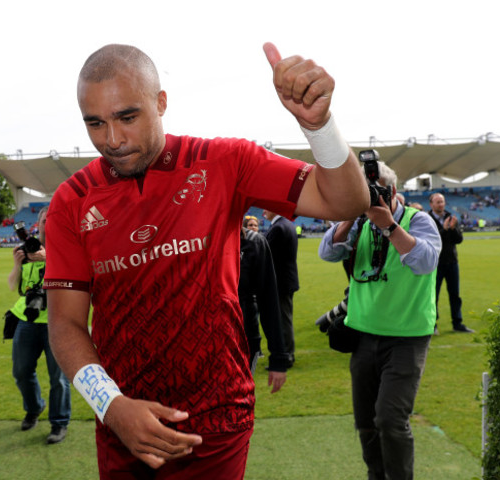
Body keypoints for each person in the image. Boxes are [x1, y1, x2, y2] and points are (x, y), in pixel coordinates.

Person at [43, 42, 369, 479]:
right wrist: (112, 406)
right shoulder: (73, 200)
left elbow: (346, 201)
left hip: (217, 419)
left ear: (161, 102)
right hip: (124, 423)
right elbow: (64, 324)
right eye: (95, 124)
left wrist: (320, 127)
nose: (113, 140)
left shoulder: (222, 162)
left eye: (127, 117)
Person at [319, 161, 441, 480]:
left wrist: (389, 226)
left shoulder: (419, 220)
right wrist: (350, 214)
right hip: (363, 334)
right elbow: (327, 252)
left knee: (389, 417)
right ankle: (376, 475)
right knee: (365, 421)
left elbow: (426, 261)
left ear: (393, 192)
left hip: (407, 336)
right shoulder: (358, 224)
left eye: (373, 193)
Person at [7, 207, 71, 444]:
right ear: (39, 223)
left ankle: (59, 422)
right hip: (27, 319)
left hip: (58, 319)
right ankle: (34, 407)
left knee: (59, 378)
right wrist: (16, 265)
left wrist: (49, 259)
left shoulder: (68, 245)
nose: (47, 224)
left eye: (52, 219)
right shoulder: (28, 249)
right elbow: (13, 286)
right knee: (21, 371)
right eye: (44, 220)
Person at [239, 223, 289, 391]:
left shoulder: (254, 243)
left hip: (243, 343)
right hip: (199, 343)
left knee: (238, 405)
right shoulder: (194, 242)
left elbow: (268, 302)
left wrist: (278, 358)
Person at [428, 192, 474, 333]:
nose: (441, 204)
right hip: (435, 264)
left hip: (452, 262)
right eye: (438, 202)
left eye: (442, 201)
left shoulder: (451, 217)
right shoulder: (427, 219)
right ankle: (432, 325)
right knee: (433, 295)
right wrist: (445, 229)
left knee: (455, 295)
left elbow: (458, 240)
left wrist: (453, 229)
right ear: (431, 204)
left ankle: (457, 323)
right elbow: (430, 240)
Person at [263, 209, 299, 368]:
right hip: (286, 280)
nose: (263, 211)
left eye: (266, 207)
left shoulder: (278, 227)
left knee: (282, 320)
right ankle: (287, 354)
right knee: (285, 318)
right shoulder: (287, 224)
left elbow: (267, 255)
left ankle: (286, 356)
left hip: (280, 282)